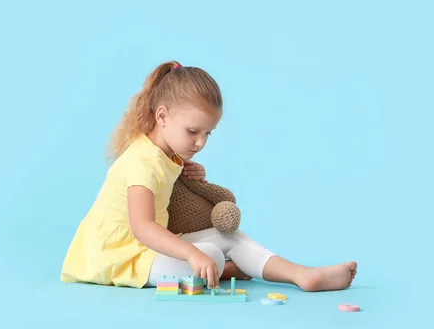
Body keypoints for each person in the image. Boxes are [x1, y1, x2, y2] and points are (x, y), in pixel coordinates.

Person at [60, 61, 357, 291]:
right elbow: (143, 227)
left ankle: (302, 275)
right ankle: (226, 269)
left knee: (230, 236)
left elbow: (169, 194)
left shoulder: (167, 154)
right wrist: (191, 254)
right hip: (121, 257)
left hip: (149, 247)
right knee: (210, 255)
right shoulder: (141, 162)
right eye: (193, 132)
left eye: (207, 134)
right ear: (162, 117)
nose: (200, 143)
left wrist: (190, 175)